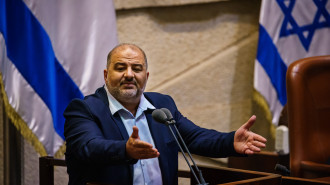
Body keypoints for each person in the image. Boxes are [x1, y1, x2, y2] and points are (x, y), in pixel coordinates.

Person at [64, 43, 267, 185]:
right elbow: (88, 147)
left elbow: (193, 137)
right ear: (107, 76)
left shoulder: (161, 106)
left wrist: (231, 141)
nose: (129, 74)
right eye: (120, 68)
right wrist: (126, 150)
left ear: (146, 77)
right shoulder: (84, 109)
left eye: (137, 68)